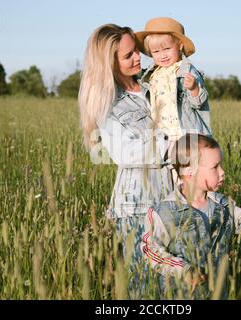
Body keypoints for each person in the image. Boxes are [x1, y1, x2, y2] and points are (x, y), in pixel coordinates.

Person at [78, 24, 174, 297]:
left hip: (170, 198)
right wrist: (180, 147)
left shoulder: (151, 86)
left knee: (173, 284)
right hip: (137, 207)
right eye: (128, 55)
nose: (138, 58)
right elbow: (127, 152)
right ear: (109, 63)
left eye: (137, 51)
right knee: (145, 287)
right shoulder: (108, 102)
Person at [142, 133, 241, 298]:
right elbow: (150, 250)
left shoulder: (223, 205)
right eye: (215, 167)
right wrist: (184, 270)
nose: (222, 172)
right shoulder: (163, 213)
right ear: (189, 171)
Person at [135, 17, 212, 144]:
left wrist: (194, 89)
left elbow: (198, 103)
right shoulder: (152, 74)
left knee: (190, 162)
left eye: (167, 49)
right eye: (156, 51)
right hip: (162, 134)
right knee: (168, 163)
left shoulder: (185, 70)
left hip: (184, 131)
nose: (162, 55)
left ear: (180, 46)